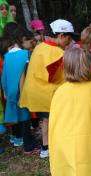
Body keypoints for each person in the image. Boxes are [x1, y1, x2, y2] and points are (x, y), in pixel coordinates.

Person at [19, 19, 76, 158]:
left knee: (45, 120)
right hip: (46, 95)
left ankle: (45, 148)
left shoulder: (40, 46)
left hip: (35, 92)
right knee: (53, 120)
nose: (70, 42)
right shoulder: (57, 53)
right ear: (61, 36)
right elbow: (56, 77)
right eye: (69, 38)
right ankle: (55, 145)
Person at [49, 47, 91, 176]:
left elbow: (55, 120)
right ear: (88, 65)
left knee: (66, 169)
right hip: (85, 137)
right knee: (86, 168)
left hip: (62, 139)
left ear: (66, 67)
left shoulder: (60, 91)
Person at [1, 25, 39, 154]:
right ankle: (29, 146)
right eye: (30, 41)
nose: (31, 44)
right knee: (25, 120)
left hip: (11, 93)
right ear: (23, 39)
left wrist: (5, 92)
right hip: (20, 92)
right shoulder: (24, 54)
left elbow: (4, 76)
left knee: (20, 119)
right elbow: (22, 76)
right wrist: (23, 95)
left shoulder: (7, 55)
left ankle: (27, 142)